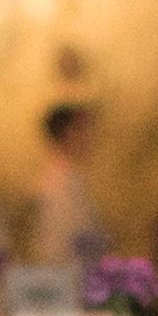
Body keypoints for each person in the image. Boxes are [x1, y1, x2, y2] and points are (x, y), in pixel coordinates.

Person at [29, 103, 108, 269]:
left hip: (73, 275)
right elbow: (64, 239)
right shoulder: (57, 180)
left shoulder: (70, 176)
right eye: (85, 129)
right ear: (68, 133)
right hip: (65, 277)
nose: (91, 137)